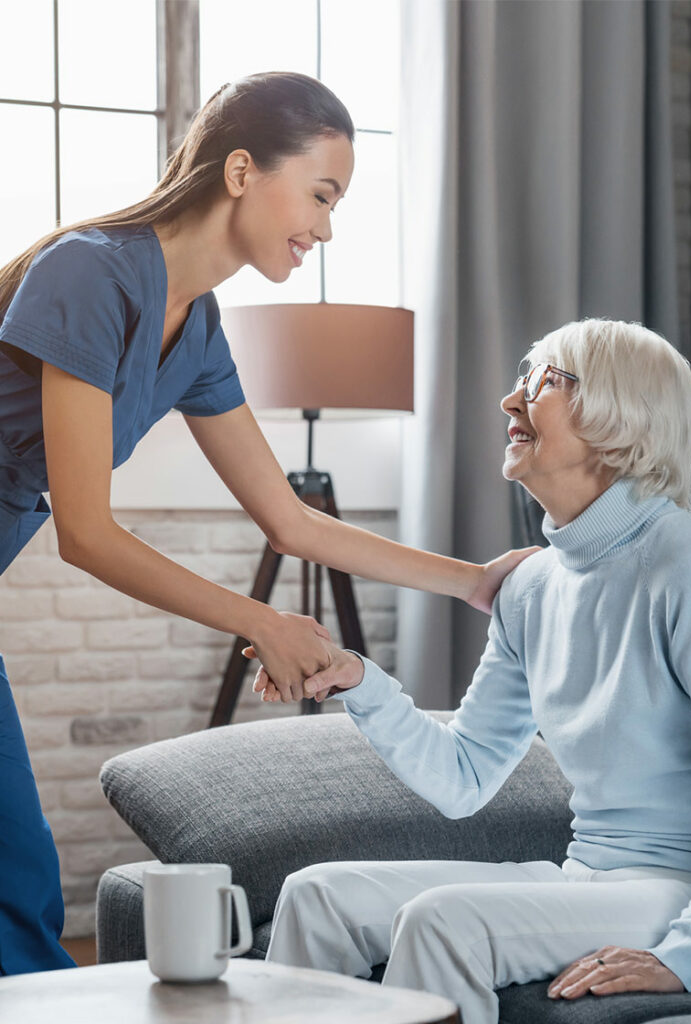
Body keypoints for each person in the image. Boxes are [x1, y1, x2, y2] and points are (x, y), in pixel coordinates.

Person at [0, 72, 533, 975]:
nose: (326, 227)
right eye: (320, 194)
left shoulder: (196, 326)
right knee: (17, 888)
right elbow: (85, 531)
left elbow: (290, 521)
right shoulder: (91, 271)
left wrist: (475, 581)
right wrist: (260, 621)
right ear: (242, 170)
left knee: (18, 884)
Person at [260, 318, 691, 1024]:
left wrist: (687, 951)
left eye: (544, 382)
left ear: (620, 414)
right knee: (316, 893)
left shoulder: (688, 565)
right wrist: (360, 681)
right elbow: (463, 777)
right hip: (588, 876)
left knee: (441, 920)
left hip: (685, 886)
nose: (510, 402)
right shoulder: (531, 586)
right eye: (520, 381)